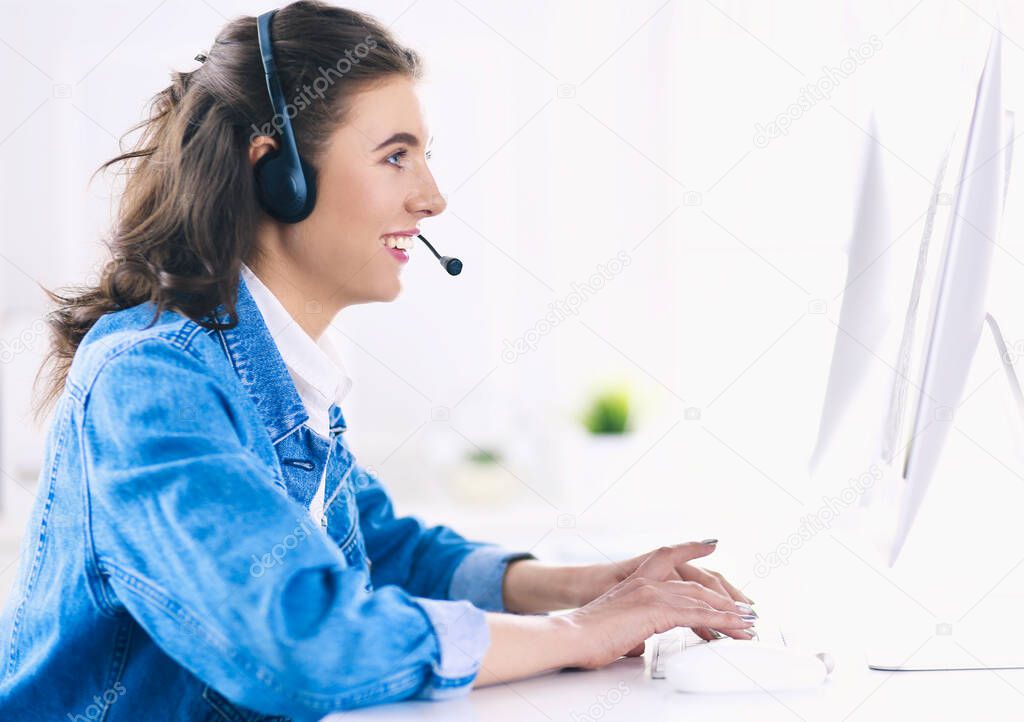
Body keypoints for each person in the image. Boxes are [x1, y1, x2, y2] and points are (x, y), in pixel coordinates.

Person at [0, 2, 755, 719]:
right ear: (277, 173)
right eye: (396, 157)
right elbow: (299, 639)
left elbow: (383, 553)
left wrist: (588, 587)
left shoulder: (278, 376)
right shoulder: (152, 381)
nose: (432, 198)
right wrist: (576, 636)